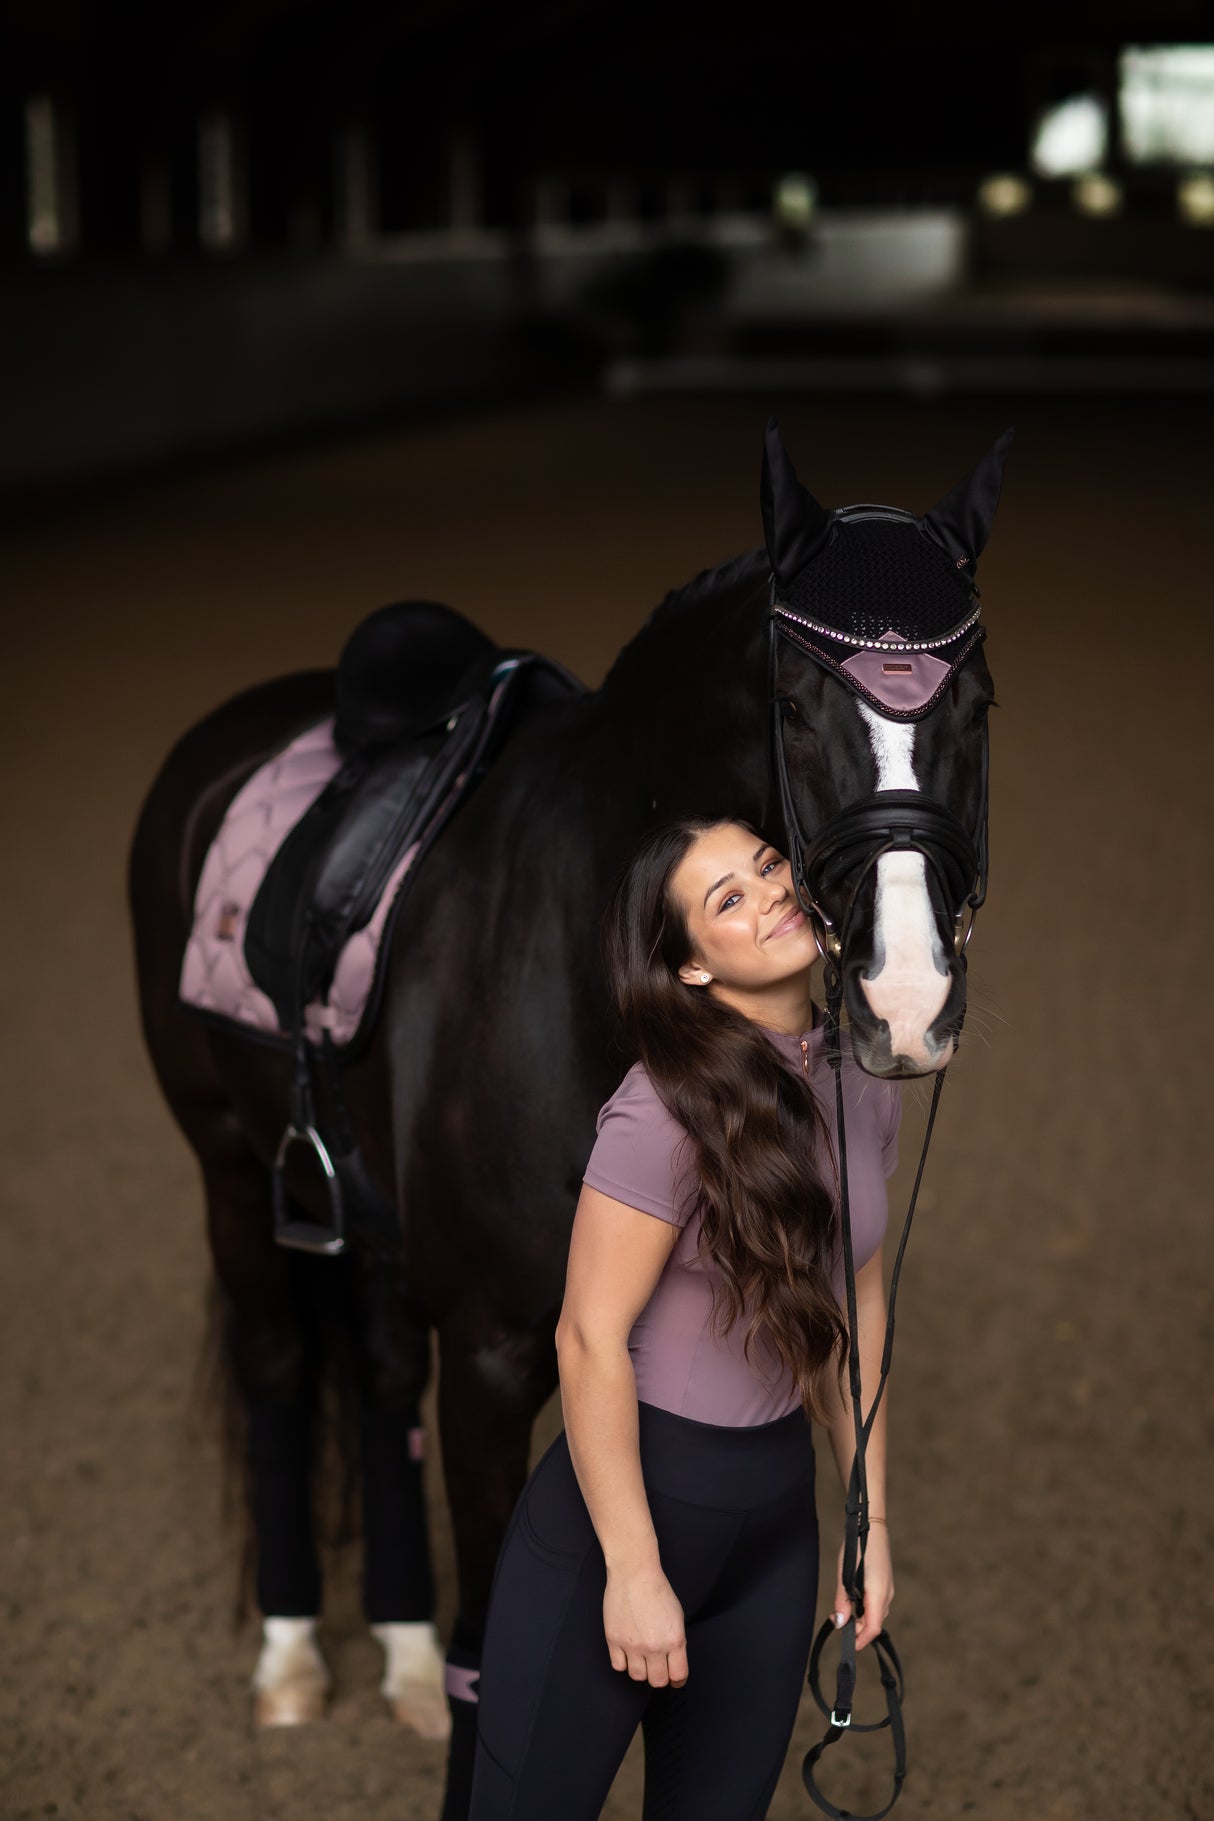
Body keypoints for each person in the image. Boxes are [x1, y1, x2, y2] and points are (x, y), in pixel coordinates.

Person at [468, 816, 901, 1821]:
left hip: (771, 1529)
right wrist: (630, 1570)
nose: (771, 894)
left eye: (766, 867)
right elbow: (585, 1338)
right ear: (692, 971)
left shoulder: (860, 1078)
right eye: (728, 902)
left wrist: (865, 1520)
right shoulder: (657, 1112)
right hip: (618, 1527)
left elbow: (858, 1305)